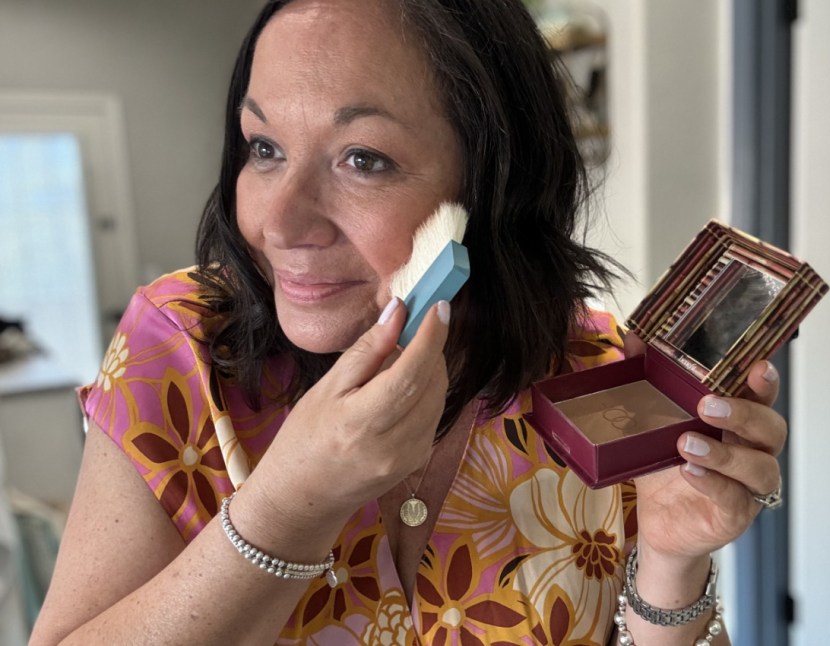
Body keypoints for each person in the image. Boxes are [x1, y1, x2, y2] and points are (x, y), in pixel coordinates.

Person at [30, 1, 786, 644]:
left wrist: (672, 561)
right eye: (264, 148)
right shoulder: (182, 344)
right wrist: (288, 509)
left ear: (493, 179)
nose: (281, 221)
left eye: (362, 159)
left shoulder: (596, 377)